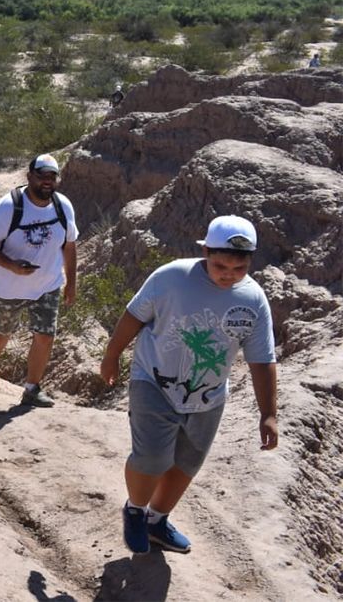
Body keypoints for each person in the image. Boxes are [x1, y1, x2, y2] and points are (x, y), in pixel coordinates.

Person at [100, 215, 277, 555]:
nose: (229, 275)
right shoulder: (171, 277)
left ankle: (157, 521)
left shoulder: (253, 300)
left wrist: (268, 413)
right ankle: (135, 510)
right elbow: (134, 315)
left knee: (186, 464)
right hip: (153, 380)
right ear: (206, 251)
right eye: (221, 265)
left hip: (208, 397)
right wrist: (112, 355)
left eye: (239, 268)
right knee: (151, 457)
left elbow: (262, 359)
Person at [0, 153, 78, 407]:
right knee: (2, 332)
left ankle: (32, 388)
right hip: (8, 286)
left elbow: (70, 245)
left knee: (45, 335)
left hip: (47, 285)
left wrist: (71, 282)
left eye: (52, 177)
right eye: (41, 176)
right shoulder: (8, 207)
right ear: (30, 176)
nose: (46, 182)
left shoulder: (63, 206)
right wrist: (11, 266)